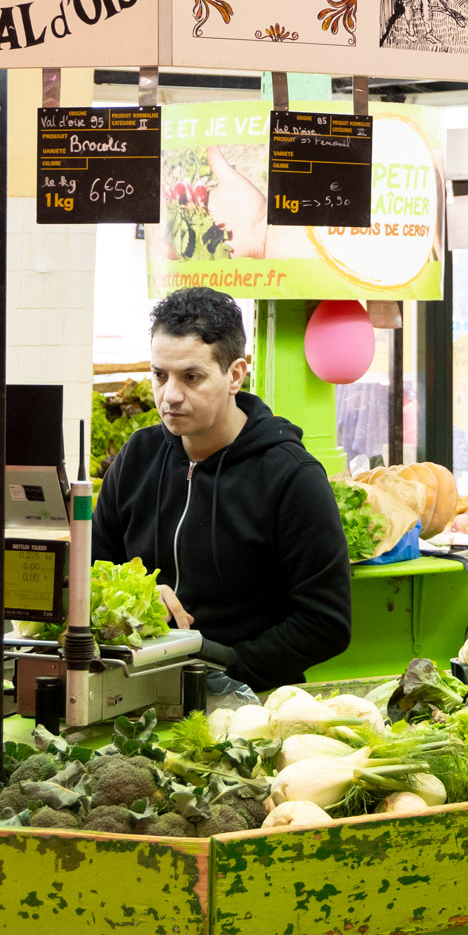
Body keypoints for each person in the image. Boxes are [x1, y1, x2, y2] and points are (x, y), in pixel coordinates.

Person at [93, 287, 351, 690]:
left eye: (191, 377)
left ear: (234, 375)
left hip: (247, 703)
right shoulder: (137, 458)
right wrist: (138, 595)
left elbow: (325, 622)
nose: (170, 395)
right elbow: (93, 571)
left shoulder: (291, 476)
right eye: (160, 375)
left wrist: (225, 668)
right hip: (131, 687)